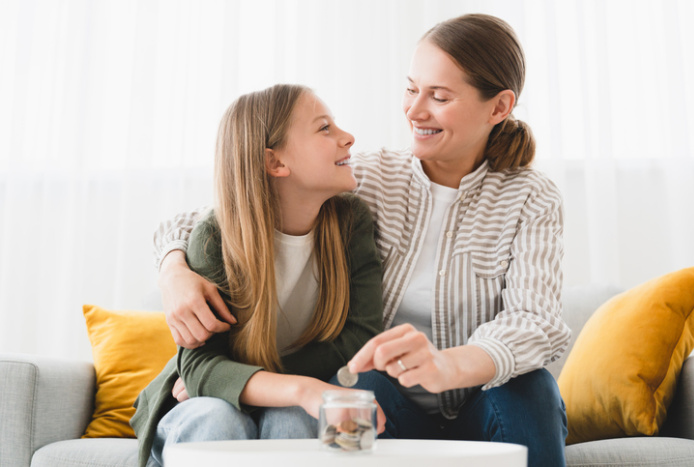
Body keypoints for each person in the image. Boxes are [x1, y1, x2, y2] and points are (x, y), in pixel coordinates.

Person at [152, 14, 571, 467]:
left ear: (498, 107)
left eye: (440, 97)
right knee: (358, 382)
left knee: (534, 386)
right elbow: (235, 207)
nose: (414, 111)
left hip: (478, 399)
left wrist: (446, 366)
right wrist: (174, 268)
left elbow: (534, 322)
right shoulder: (364, 179)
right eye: (411, 89)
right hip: (385, 403)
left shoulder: (532, 196)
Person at [131, 84, 385, 467]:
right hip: (198, 405)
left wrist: (270, 387)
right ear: (275, 163)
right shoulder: (216, 238)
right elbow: (201, 369)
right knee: (219, 417)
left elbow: (360, 336)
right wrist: (298, 387)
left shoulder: (350, 224)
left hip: (278, 394)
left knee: (295, 416)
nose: (347, 138)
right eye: (324, 129)